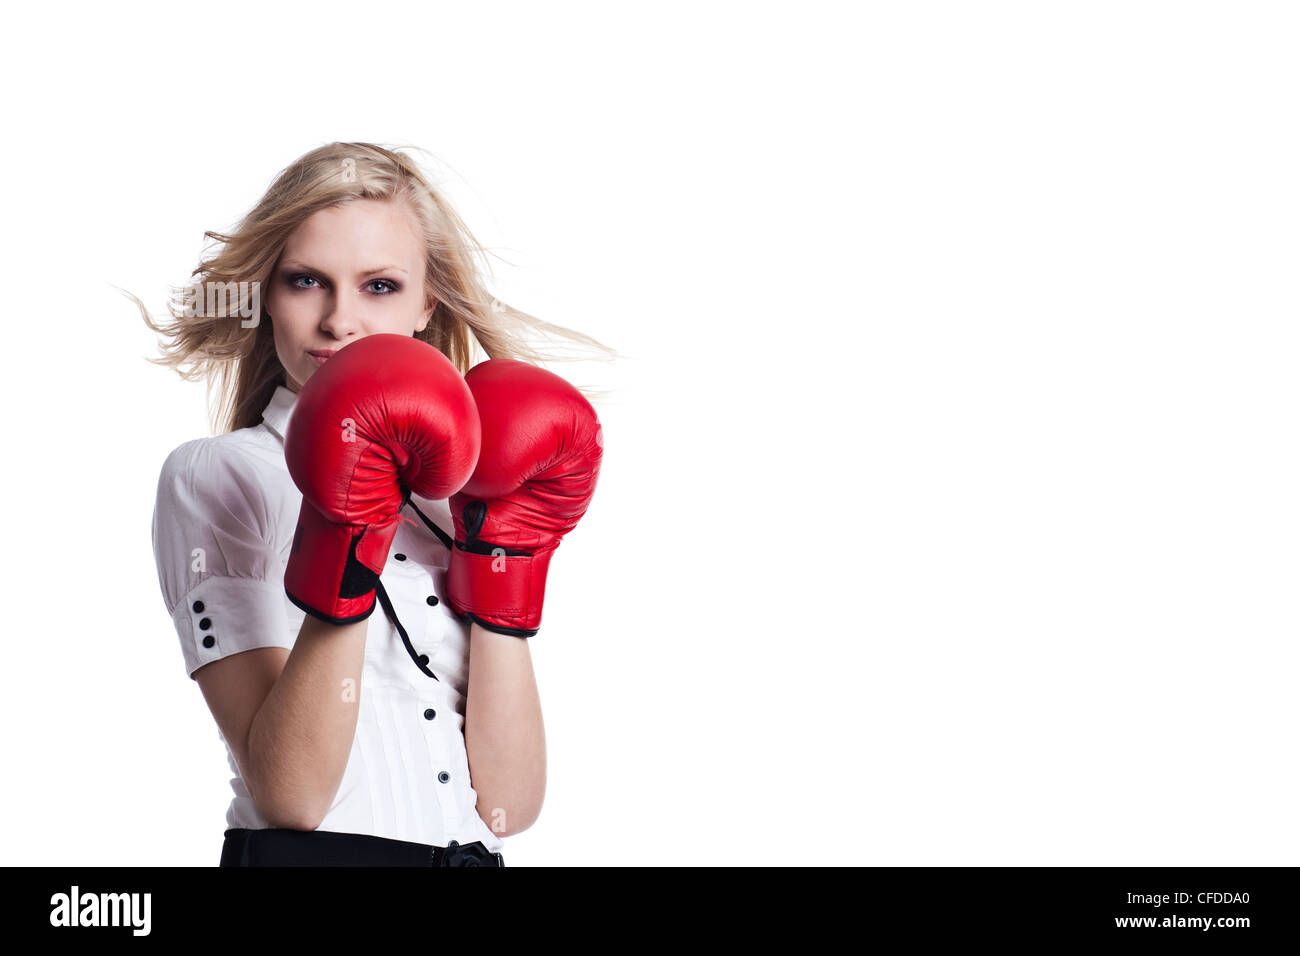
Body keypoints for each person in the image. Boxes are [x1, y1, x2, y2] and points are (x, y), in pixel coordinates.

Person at [131, 142, 612, 866]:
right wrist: (346, 528)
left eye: (379, 286)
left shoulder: (465, 495)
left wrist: (506, 556)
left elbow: (509, 803)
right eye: (305, 282)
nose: (339, 321)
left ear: (428, 303)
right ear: (266, 295)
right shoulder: (217, 476)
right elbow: (291, 796)